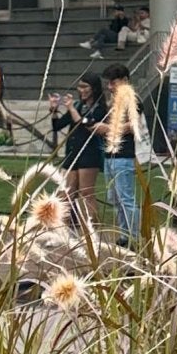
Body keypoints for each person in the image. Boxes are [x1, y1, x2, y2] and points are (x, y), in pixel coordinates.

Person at [49, 73, 106, 228]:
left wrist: (71, 109)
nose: (81, 90)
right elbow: (57, 126)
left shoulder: (100, 108)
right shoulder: (78, 106)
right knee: (66, 192)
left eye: (85, 86)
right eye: (79, 86)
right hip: (72, 152)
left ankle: (93, 228)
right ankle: (64, 227)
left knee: (86, 192)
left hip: (89, 154)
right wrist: (54, 110)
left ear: (93, 88)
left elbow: (88, 124)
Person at [101, 62, 142, 241]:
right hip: (110, 154)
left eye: (113, 82)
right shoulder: (112, 101)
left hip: (123, 155)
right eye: (108, 83)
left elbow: (134, 125)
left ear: (124, 80)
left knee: (126, 198)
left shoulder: (132, 99)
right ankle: (124, 235)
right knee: (115, 198)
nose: (110, 87)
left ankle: (134, 236)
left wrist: (110, 128)